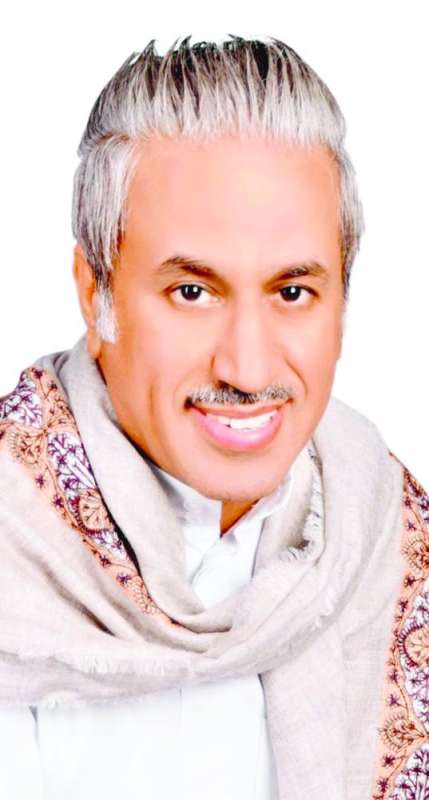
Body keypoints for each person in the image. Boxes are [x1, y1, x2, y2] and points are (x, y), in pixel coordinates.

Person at [0, 34, 426, 800]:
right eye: (191, 293)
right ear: (94, 294)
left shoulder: (390, 541)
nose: (248, 370)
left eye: (292, 293)